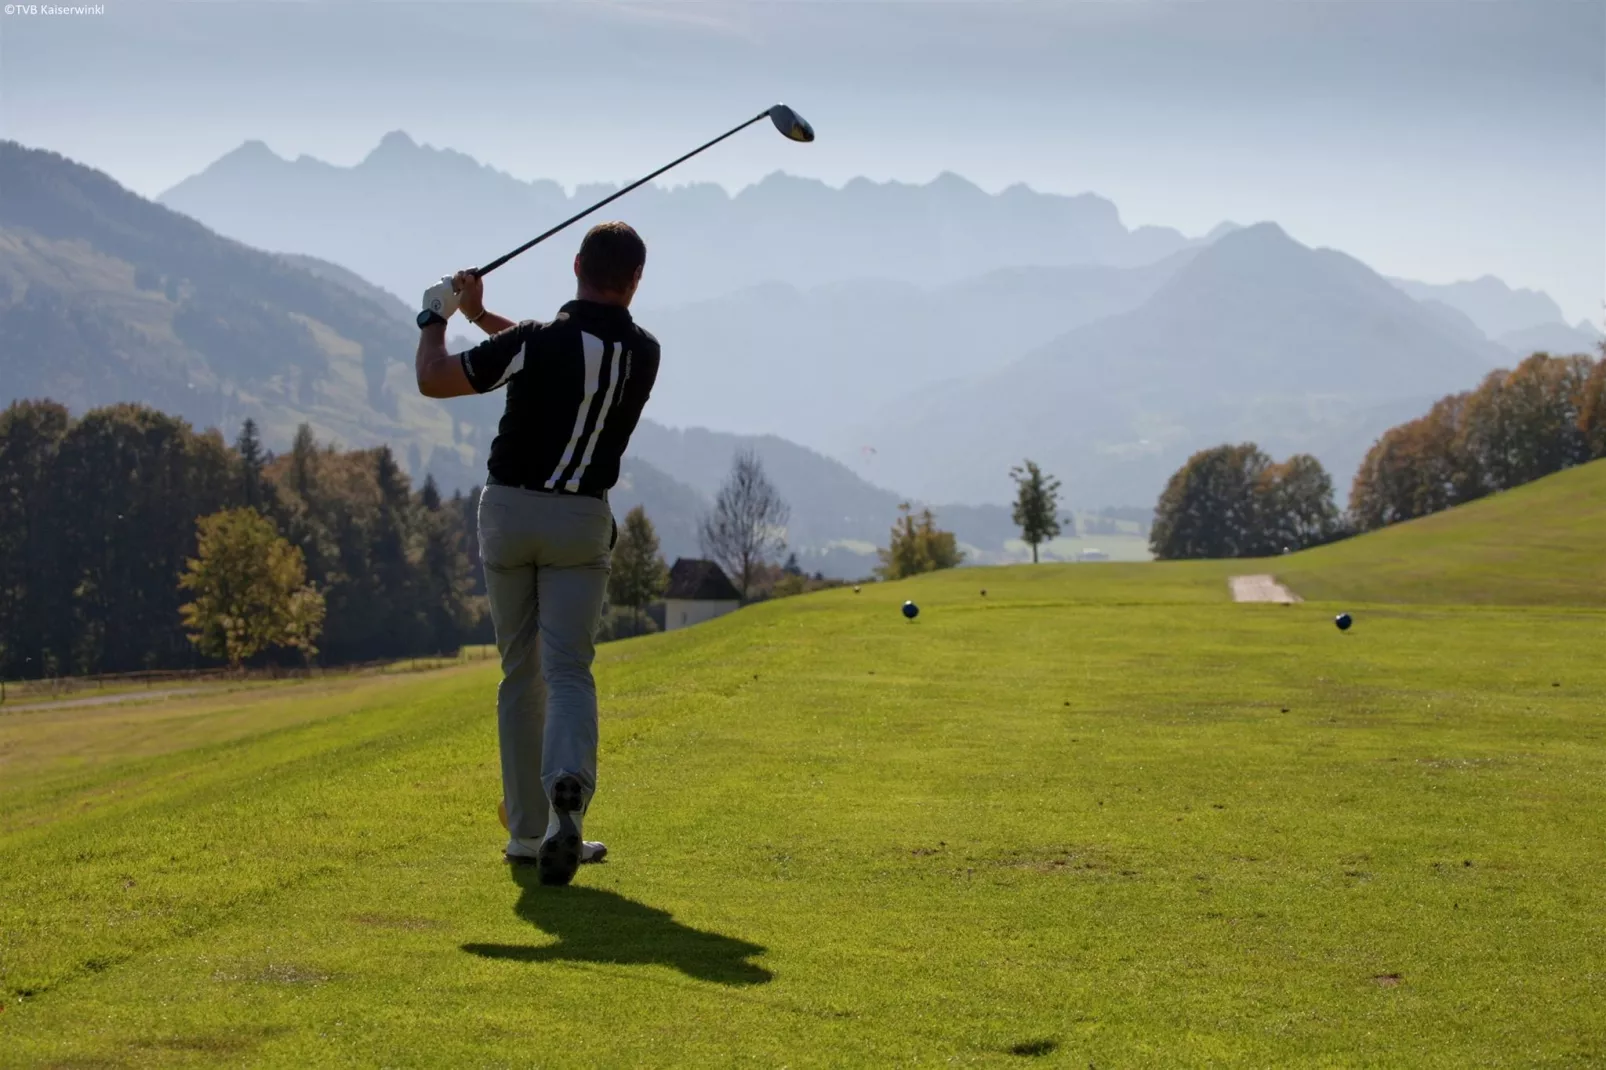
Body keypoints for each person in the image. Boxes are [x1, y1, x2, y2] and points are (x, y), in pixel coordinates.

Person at [413, 221, 660, 887]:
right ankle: (568, 792)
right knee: (570, 670)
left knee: (521, 672)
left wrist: (435, 318)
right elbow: (563, 361)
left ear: (576, 264)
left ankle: (527, 833)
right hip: (582, 521)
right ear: (635, 281)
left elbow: (435, 380)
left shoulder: (533, 343)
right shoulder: (645, 353)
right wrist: (483, 316)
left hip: (512, 515)